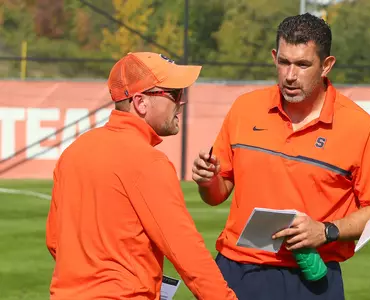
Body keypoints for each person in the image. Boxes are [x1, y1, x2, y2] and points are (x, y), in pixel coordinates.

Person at [191, 13, 370, 300]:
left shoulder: (358, 126)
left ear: (327, 65)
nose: (290, 75)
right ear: (275, 56)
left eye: (303, 65)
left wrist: (326, 231)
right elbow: (217, 194)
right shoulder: (245, 108)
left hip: (312, 279)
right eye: (284, 62)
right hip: (237, 270)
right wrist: (207, 180)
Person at [45, 52, 237, 300]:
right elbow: (187, 253)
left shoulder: (75, 151)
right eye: (174, 94)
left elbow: (54, 240)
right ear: (141, 102)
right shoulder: (149, 162)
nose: (181, 102)